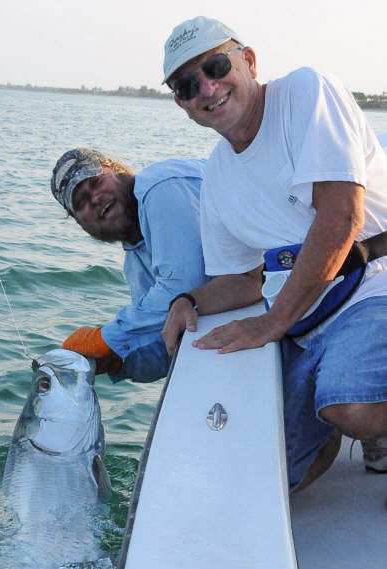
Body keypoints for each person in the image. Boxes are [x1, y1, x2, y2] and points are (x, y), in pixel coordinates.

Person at [161, 16, 387, 490]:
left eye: (216, 65)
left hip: (373, 283)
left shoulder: (306, 92)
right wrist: (188, 302)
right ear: (182, 105)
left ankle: (366, 420)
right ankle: (334, 424)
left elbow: (341, 217)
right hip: (306, 320)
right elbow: (245, 279)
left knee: (352, 407)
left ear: (248, 60)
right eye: (186, 85)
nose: (207, 87)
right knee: (269, 477)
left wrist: (271, 323)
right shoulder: (217, 175)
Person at [51, 148, 206, 383]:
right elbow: (165, 335)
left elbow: (185, 284)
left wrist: (105, 339)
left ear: (119, 170)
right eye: (80, 202)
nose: (94, 199)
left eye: (95, 182)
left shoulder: (159, 188)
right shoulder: (135, 264)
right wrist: (118, 360)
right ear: (79, 222)